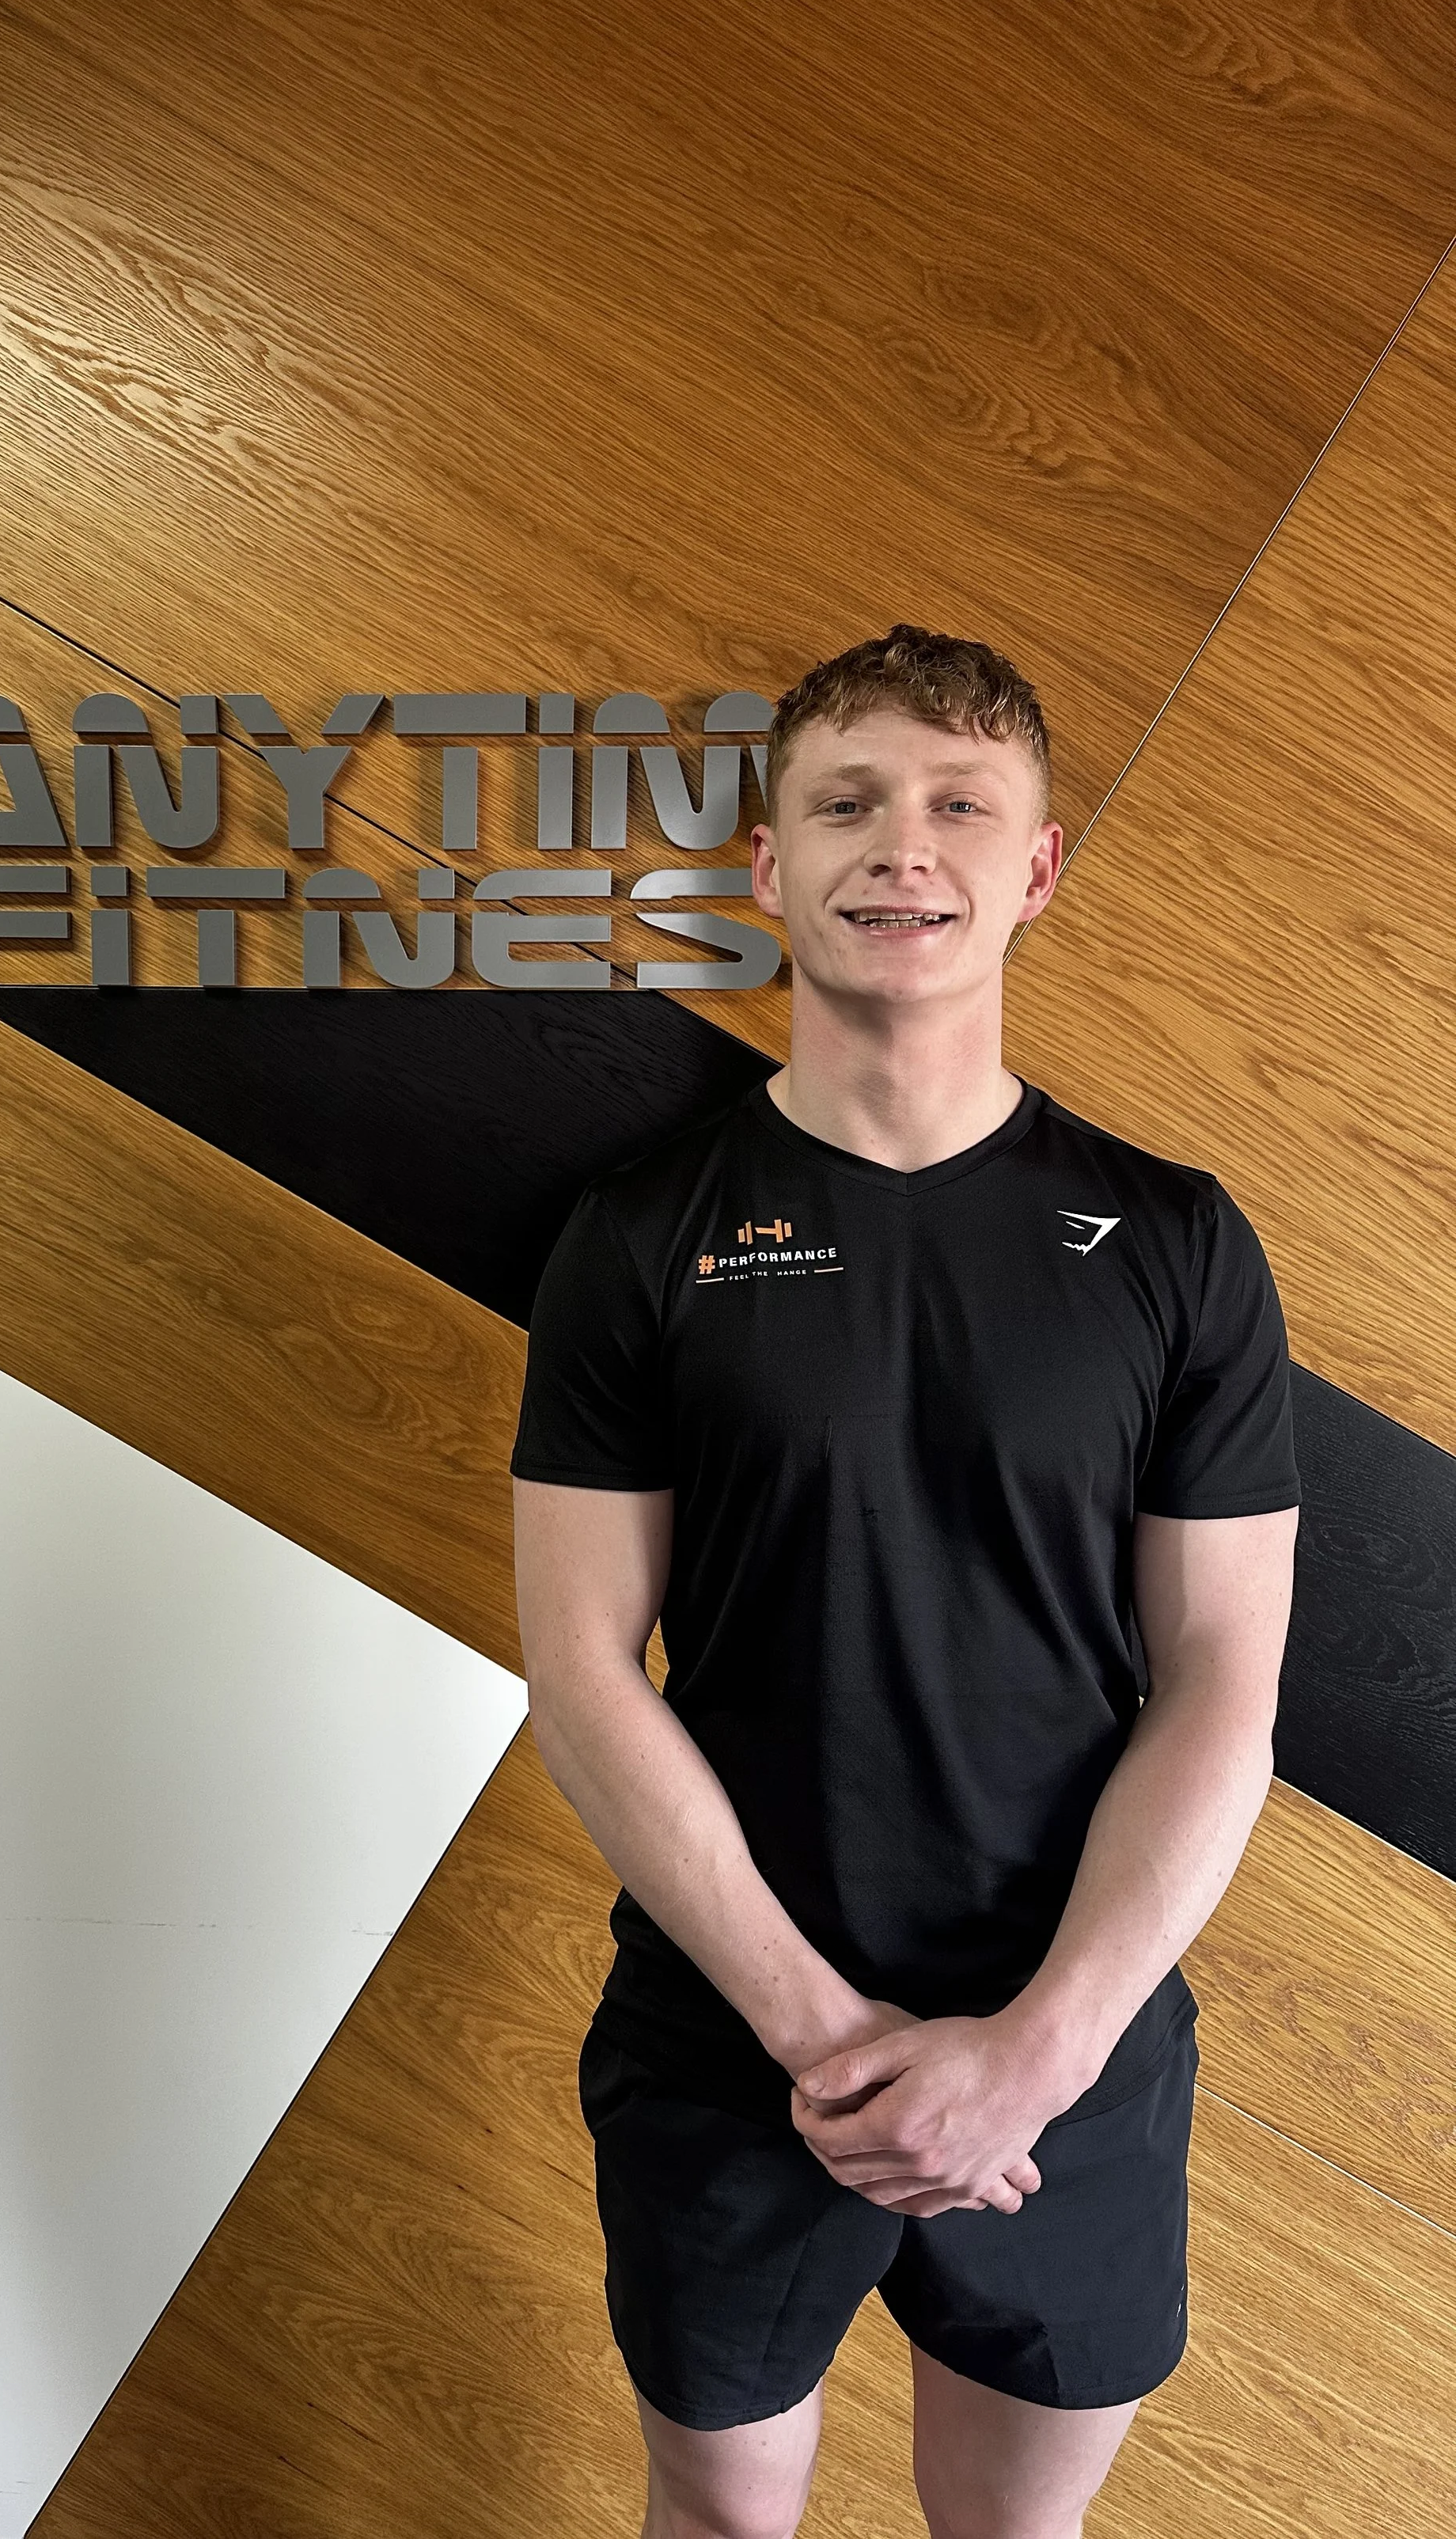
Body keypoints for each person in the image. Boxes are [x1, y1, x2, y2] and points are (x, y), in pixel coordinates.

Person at [510, 625, 1300, 2539]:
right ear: (766, 867)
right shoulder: (639, 1240)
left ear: (1031, 870)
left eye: (960, 805)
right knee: (714, 2515)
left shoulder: (1175, 1246)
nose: (902, 846)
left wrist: (1027, 2059)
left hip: (1073, 2043)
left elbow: (1218, 1685)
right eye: (845, 801)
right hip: (733, 2032)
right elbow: (581, 1667)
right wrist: (822, 2043)